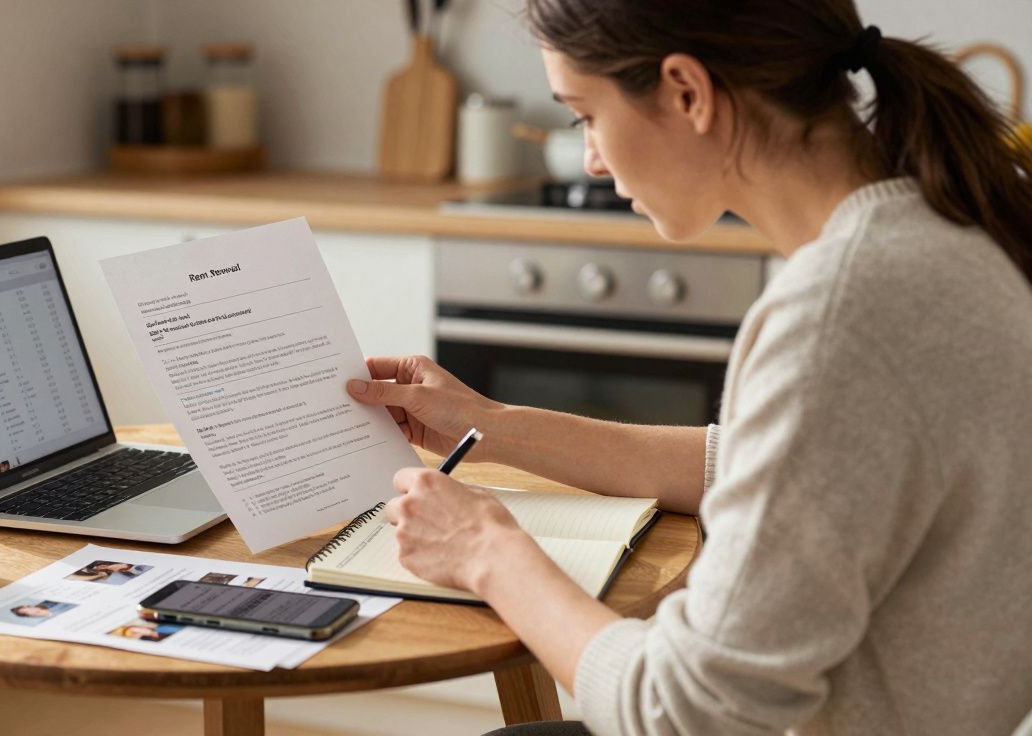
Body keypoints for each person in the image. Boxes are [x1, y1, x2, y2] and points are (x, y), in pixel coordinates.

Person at [345, 2, 1032, 735]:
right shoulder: (934, 235)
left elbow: (684, 714)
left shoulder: (843, 313)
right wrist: (492, 425)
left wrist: (489, 552)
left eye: (585, 116)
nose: (591, 161)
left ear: (686, 92)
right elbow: (756, 468)